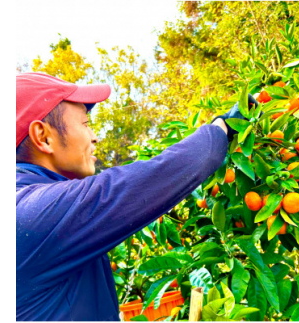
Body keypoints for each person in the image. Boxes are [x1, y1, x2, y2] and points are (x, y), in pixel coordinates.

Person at [16, 72, 257, 321]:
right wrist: (222, 128)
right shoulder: (31, 214)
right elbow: (153, 177)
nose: (94, 136)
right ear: (43, 137)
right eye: (85, 124)